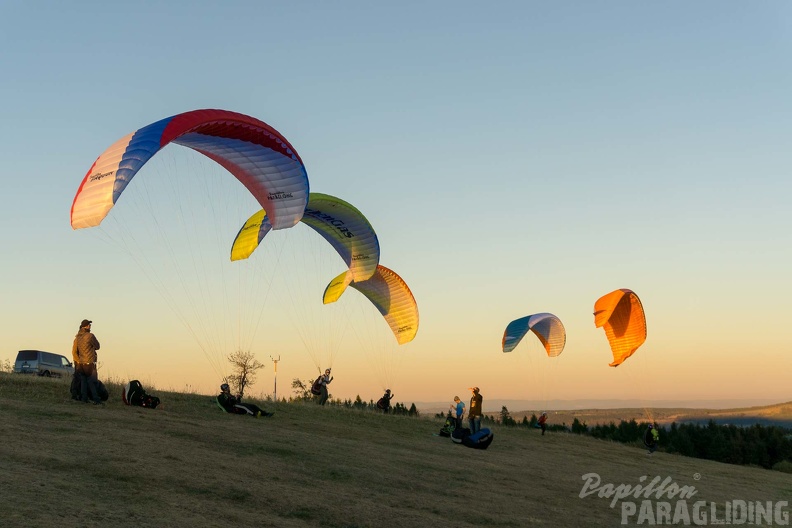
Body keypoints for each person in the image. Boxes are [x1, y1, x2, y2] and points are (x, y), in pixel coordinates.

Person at [73, 319, 102, 405]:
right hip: (89, 362)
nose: (90, 326)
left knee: (84, 382)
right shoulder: (90, 336)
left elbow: (75, 351)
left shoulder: (77, 337)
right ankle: (96, 399)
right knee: (91, 381)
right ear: (86, 326)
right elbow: (98, 346)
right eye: (89, 325)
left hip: (81, 363)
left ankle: (84, 398)